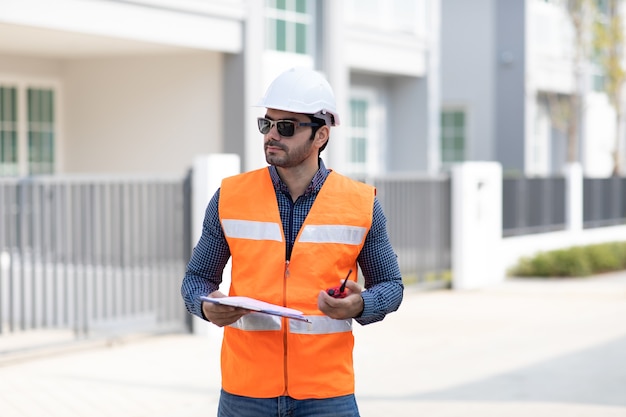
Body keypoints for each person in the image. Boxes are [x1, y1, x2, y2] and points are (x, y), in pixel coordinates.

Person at [181, 67, 403, 417]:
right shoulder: (230, 196)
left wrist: (360, 305)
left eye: (286, 127)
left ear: (321, 135)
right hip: (245, 393)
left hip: (327, 394)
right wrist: (205, 306)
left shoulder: (359, 203)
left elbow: (391, 286)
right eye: (266, 124)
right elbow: (196, 279)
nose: (272, 135)